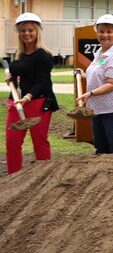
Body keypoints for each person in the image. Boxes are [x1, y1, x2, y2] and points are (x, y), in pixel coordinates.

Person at [5, 13, 59, 175]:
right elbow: (23, 76)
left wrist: (27, 97)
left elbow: (42, 82)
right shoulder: (20, 54)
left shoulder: (42, 54)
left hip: (38, 102)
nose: (26, 34)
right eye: (22, 30)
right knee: (12, 142)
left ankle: (42, 179)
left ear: (37, 32)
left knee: (39, 142)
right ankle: (13, 177)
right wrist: (12, 78)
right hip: (16, 102)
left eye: (30, 30)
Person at [77, 14, 113, 155]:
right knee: (101, 148)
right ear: (96, 33)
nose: (105, 35)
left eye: (109, 31)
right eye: (101, 31)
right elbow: (102, 76)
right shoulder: (100, 53)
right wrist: (85, 74)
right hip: (99, 108)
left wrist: (90, 93)